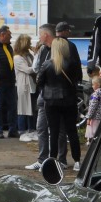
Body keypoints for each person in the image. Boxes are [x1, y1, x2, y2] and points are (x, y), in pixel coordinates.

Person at [37, 36, 82, 172]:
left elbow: (39, 82)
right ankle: (77, 161)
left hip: (51, 101)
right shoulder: (72, 64)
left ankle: (52, 160)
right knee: (71, 131)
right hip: (69, 100)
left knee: (54, 132)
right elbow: (78, 79)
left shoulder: (47, 64)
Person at [25, 25, 57, 171]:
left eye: (40, 34)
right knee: (41, 127)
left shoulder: (58, 49)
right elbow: (36, 68)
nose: (38, 37)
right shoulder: (43, 50)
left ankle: (57, 159)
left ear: (45, 35)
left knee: (57, 128)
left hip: (55, 94)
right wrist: (37, 53)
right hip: (43, 92)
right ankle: (42, 159)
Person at [0, 25, 18, 139]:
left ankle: (12, 130)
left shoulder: (8, 47)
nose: (11, 37)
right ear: (2, 35)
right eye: (9, 35)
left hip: (10, 82)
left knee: (13, 106)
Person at [12, 34, 36, 140]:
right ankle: (22, 131)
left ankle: (31, 130)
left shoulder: (28, 55)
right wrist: (36, 64)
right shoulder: (17, 58)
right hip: (23, 85)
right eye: (29, 43)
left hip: (31, 85)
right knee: (23, 108)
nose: (30, 45)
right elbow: (29, 69)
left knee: (31, 109)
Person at [85, 75, 101, 139]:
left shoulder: (96, 94)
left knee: (94, 133)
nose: (92, 86)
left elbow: (93, 106)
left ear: (98, 85)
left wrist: (89, 117)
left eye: (93, 84)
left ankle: (93, 144)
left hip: (95, 117)